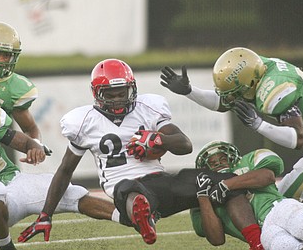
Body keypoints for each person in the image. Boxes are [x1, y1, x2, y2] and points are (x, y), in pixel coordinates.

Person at [18, 59, 262, 247]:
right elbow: (65, 171)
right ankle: (144, 219)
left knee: (225, 182)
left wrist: (159, 138)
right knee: (130, 191)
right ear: (97, 94)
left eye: (121, 92)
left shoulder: (148, 108)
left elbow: (184, 145)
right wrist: (46, 214)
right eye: (110, 95)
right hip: (125, 188)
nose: (116, 99)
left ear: (131, 88)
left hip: (163, 183)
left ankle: (256, 242)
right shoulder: (83, 122)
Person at [160, 47, 303, 201]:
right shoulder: (256, 69)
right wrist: (189, 91)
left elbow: (297, 139)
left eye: (234, 92)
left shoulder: (275, 89)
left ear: (249, 83)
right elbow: (223, 102)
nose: (231, 97)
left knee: (286, 195)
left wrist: (258, 124)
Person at [0, 103, 118, 250]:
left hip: (11, 180)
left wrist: (34, 148)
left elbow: (23, 142)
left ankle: (130, 216)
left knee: (70, 193)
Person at [190, 140, 303, 250]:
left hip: (280, 209)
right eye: (212, 163)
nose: (219, 164)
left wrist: (226, 184)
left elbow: (268, 176)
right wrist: (203, 196)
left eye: (223, 159)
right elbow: (217, 239)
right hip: (266, 233)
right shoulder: (201, 195)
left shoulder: (246, 164)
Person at [0, 21, 51, 154]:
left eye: (7, 55)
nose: (1, 60)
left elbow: (30, 128)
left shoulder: (14, 88)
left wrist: (34, 147)